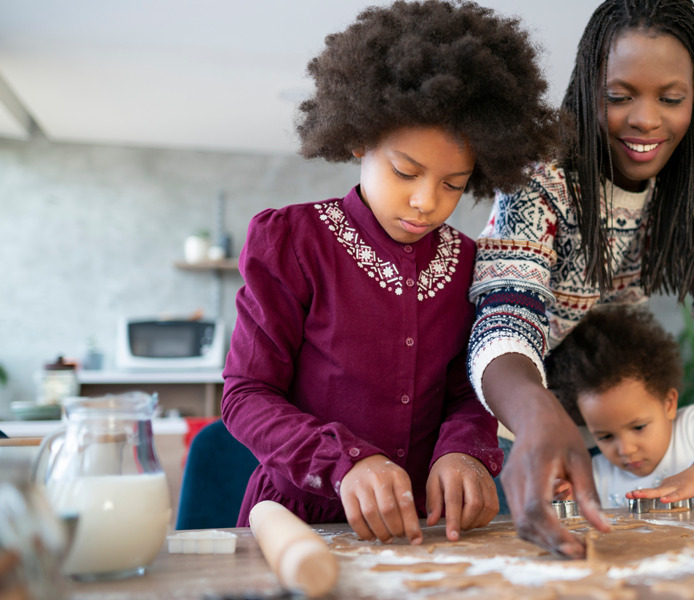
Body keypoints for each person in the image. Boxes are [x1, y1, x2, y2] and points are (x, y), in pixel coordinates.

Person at [467, 0, 694, 557]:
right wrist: (536, 415)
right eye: (618, 96)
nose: (646, 119)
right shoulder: (543, 175)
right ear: (589, 88)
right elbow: (505, 316)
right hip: (499, 409)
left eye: (671, 98)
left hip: (579, 418)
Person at [222, 0, 559, 546]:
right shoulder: (292, 241)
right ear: (360, 137)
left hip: (426, 526)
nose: (426, 201)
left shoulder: (472, 264)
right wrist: (344, 461)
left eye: (453, 184)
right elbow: (247, 395)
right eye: (406, 170)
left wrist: (463, 452)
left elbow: (467, 391)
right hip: (299, 524)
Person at [546, 306, 694, 509]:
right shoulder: (596, 474)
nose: (625, 449)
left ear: (668, 404)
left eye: (638, 427)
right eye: (605, 436)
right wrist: (568, 499)